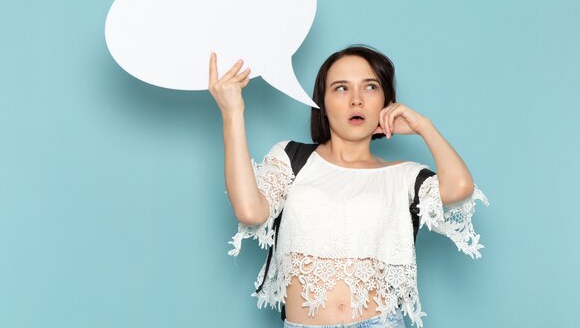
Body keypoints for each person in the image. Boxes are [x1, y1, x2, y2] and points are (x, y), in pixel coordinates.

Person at [208, 45, 489, 328]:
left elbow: (460, 187)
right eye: (341, 88)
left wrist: (424, 126)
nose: (356, 100)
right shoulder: (292, 158)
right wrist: (232, 113)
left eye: (370, 87)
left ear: (386, 102)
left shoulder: (404, 176)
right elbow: (249, 211)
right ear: (323, 104)